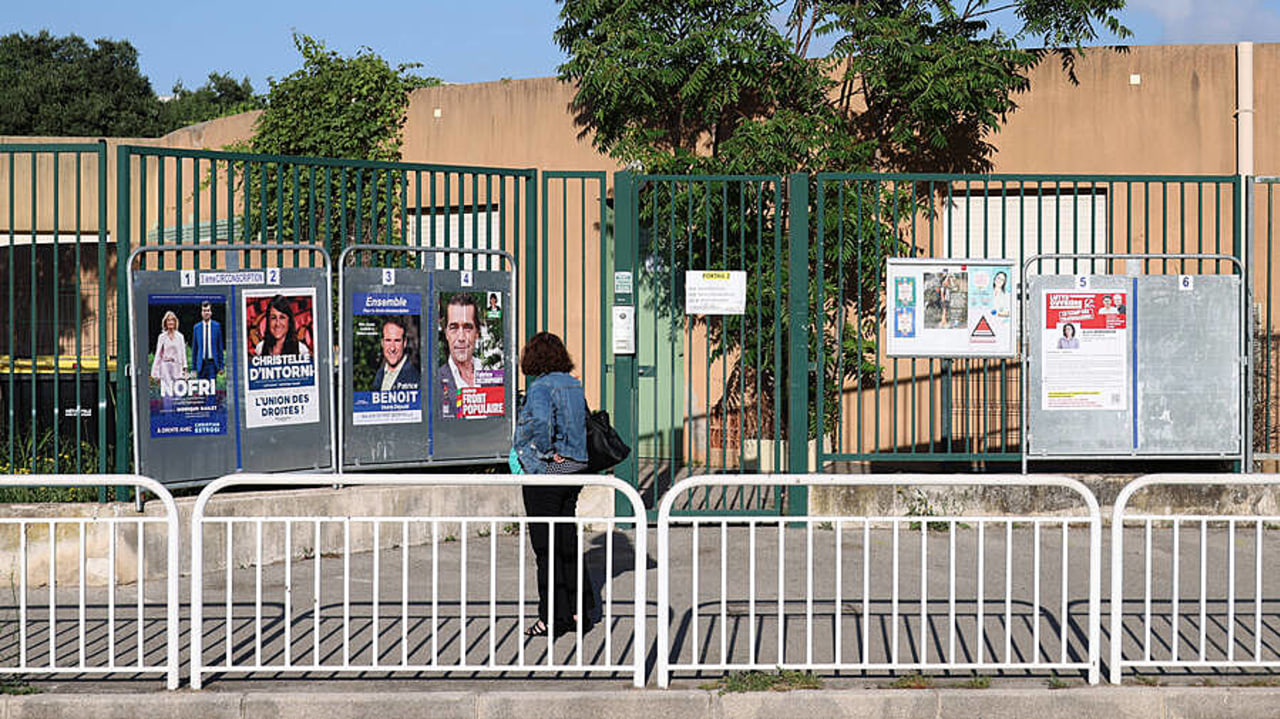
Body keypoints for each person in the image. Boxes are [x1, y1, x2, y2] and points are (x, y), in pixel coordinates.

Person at [513, 332, 594, 638]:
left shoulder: (540, 387)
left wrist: (547, 453)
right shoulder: (574, 384)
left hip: (548, 472)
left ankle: (551, 617)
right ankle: (579, 611)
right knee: (566, 539)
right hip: (575, 468)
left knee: (545, 548)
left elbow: (542, 426)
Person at [437, 293, 482, 416]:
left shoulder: (493, 377)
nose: (461, 337)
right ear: (446, 333)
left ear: (477, 333)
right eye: (454, 328)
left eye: (468, 327)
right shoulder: (434, 383)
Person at [372, 317, 420, 391]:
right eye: (388, 340)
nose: (392, 348)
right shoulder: (379, 374)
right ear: (382, 343)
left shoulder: (415, 378)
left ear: (404, 343)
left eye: (397, 341)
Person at [150, 310, 187, 394]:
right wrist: (155, 372)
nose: (170, 322)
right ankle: (167, 407)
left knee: (177, 392)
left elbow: (183, 353)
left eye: (172, 320)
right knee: (167, 393)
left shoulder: (180, 336)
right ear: (165, 322)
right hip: (165, 367)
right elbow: (158, 355)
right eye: (168, 320)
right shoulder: (162, 337)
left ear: (175, 322)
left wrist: (184, 368)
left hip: (177, 366)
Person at [191, 301, 224, 381]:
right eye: (204, 310)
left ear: (211, 312)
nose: (206, 313)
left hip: (212, 364)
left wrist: (221, 366)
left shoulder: (216, 326)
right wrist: (194, 369)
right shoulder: (197, 328)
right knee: (201, 391)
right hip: (201, 364)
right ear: (201, 312)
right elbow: (194, 349)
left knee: (211, 390)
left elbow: (219, 347)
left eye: (208, 310)